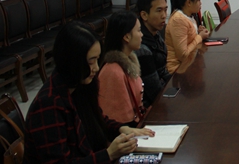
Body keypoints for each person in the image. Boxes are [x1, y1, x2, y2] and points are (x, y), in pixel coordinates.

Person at [23, 21, 154, 163]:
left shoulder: (80, 85)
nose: (96, 68)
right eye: (91, 62)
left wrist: (121, 129)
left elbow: (98, 120)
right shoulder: (48, 104)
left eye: (97, 60)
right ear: (72, 61)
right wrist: (108, 154)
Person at [98, 11, 145, 126]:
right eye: (139, 30)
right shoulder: (113, 72)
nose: (142, 35)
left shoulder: (127, 62)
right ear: (127, 37)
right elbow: (118, 120)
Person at [135, 0, 171, 107]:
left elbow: (163, 71)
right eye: (159, 11)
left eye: (165, 10)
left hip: (163, 93)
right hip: (150, 105)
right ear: (144, 15)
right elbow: (154, 92)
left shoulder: (156, 34)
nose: (164, 15)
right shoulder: (141, 48)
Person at [166, 0, 210, 74]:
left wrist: (198, 33)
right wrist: (199, 37)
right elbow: (183, 55)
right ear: (189, 2)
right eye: (198, 0)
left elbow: (189, 39)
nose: (200, 3)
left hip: (188, 65)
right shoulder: (178, 20)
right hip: (177, 70)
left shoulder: (189, 16)